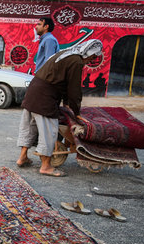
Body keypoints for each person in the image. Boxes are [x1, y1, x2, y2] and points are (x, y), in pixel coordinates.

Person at [16, 39, 103, 177]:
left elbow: (65, 83)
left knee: (29, 126)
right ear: (90, 54)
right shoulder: (76, 61)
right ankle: (45, 166)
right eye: (93, 57)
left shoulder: (67, 53)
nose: (91, 60)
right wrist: (76, 112)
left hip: (34, 90)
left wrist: (67, 104)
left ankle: (22, 157)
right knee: (49, 131)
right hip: (45, 96)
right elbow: (74, 89)